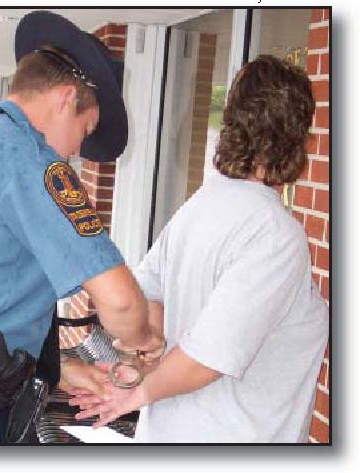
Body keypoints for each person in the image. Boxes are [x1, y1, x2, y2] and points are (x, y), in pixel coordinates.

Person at [0, 11, 163, 444]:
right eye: (86, 128)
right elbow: (120, 303)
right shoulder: (29, 161)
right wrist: (145, 341)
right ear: (64, 98)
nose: (78, 149)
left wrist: (60, 369)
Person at [71, 55, 329, 443]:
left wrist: (147, 348)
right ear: (298, 138)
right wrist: (136, 394)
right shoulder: (275, 235)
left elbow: (145, 295)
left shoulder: (202, 204)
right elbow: (208, 358)